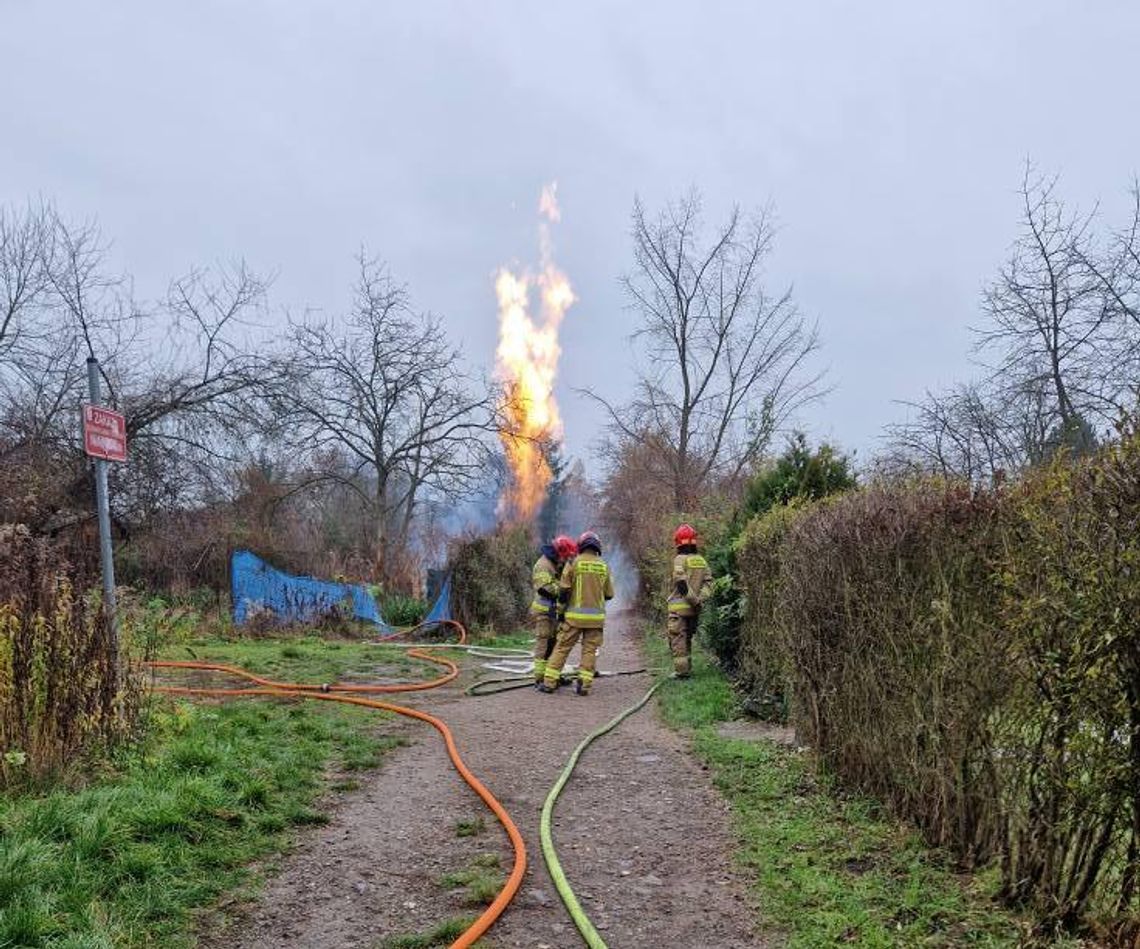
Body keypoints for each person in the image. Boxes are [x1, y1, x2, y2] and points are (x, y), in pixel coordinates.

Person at [539, 530, 614, 696]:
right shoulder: (604, 566)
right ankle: (584, 686)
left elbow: (564, 591)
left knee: (562, 648)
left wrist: (560, 612)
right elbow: (609, 594)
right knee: (589, 651)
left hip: (573, 619)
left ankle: (549, 683)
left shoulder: (574, 563)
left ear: (581, 545)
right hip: (596, 620)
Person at [531, 535, 578, 685]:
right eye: (565, 556)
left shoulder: (555, 562)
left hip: (553, 612)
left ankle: (553, 675)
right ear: (559, 552)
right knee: (543, 645)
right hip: (544, 612)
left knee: (555, 645)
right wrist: (564, 588)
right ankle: (540, 678)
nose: (566, 560)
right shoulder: (543, 565)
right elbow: (544, 588)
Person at [666, 523, 712, 678]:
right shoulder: (701, 560)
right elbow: (709, 583)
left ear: (678, 542)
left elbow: (681, 584)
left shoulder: (679, 559)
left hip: (679, 610)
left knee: (679, 640)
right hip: (694, 610)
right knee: (688, 640)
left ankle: (682, 673)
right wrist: (700, 600)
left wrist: (693, 600)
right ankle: (688, 668)